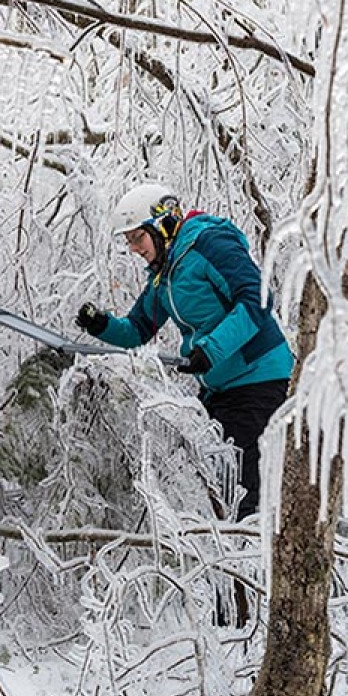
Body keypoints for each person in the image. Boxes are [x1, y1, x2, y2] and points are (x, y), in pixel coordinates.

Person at [75, 182, 294, 521]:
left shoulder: (210, 244)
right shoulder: (166, 273)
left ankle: (255, 565)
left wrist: (211, 349)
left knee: (244, 493)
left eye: (137, 237)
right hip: (220, 390)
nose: (133, 248)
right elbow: (138, 330)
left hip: (260, 382)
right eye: (128, 240)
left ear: (162, 225)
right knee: (220, 489)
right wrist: (100, 325)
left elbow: (258, 298)